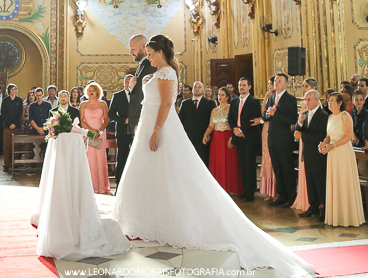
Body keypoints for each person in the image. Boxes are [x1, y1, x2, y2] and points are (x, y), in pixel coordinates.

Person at [112, 34, 315, 277]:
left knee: (169, 172)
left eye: (151, 53)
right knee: (149, 173)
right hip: (147, 124)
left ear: (159, 52)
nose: (149, 58)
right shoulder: (156, 72)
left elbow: (166, 104)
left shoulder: (166, 72)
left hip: (159, 126)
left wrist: (155, 131)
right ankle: (147, 220)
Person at [318, 92, 364, 227]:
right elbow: (328, 135)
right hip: (333, 153)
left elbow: (349, 136)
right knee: (335, 181)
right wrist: (324, 143)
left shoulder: (345, 115)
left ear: (339, 103)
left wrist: (333, 146)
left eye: (333, 100)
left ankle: (348, 216)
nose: (330, 102)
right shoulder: (331, 117)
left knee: (344, 181)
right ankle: (336, 216)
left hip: (343, 152)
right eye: (329, 100)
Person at [263, 73, 298, 208]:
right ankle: (281, 195)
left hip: (284, 139)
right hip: (272, 138)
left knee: (286, 168)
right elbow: (267, 116)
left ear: (286, 84)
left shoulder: (290, 99)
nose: (276, 84)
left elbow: (291, 120)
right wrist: (267, 114)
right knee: (277, 168)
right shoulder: (271, 98)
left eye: (279, 81)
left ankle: (290, 196)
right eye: (275, 81)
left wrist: (275, 114)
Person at [295, 89, 328, 221]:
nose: (306, 102)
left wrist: (303, 135)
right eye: (305, 100)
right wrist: (300, 123)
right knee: (310, 182)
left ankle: (324, 208)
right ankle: (313, 206)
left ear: (317, 100)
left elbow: (321, 135)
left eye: (308, 100)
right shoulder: (306, 114)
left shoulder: (323, 115)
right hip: (307, 153)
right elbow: (298, 130)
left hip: (318, 154)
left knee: (319, 182)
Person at [203, 86, 242, 195]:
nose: (219, 97)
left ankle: (230, 187)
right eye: (219, 95)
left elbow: (235, 124)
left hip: (227, 137)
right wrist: (206, 135)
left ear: (228, 97)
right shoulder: (214, 110)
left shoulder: (231, 108)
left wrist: (232, 138)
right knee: (218, 162)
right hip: (216, 139)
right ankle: (218, 188)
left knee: (227, 162)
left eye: (222, 95)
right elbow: (211, 126)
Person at [229, 76, 262, 202]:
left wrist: (242, 130)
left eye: (244, 85)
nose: (241, 87)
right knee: (242, 165)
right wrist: (235, 130)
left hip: (249, 137)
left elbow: (254, 119)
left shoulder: (254, 102)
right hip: (238, 137)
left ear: (249, 87)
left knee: (249, 165)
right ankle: (244, 190)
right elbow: (231, 118)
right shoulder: (234, 102)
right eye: (240, 85)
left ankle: (250, 192)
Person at [292, 77, 318, 214]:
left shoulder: (318, 108)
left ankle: (312, 202)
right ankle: (304, 199)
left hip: (310, 141)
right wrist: (300, 123)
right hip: (303, 140)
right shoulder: (303, 105)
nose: (303, 88)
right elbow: (298, 125)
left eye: (306, 86)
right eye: (303, 86)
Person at [80, 81, 111, 195]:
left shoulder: (102, 104)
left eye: (93, 90)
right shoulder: (83, 105)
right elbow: (82, 120)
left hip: (100, 133)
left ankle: (101, 187)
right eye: (89, 90)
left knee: (100, 159)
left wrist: (100, 130)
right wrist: (91, 131)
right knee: (89, 159)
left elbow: (107, 119)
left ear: (97, 92)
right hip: (88, 133)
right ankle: (90, 186)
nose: (91, 92)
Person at [179, 80, 216, 165]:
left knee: (203, 163)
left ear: (203, 90)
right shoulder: (185, 103)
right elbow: (181, 121)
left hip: (203, 138)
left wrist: (209, 135)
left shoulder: (210, 103)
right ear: (192, 90)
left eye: (199, 87)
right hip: (188, 139)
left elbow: (213, 122)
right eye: (195, 87)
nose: (197, 89)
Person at [127, 33, 156, 134]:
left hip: (144, 121)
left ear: (144, 46)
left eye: (133, 49)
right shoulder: (143, 65)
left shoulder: (151, 66)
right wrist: (131, 88)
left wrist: (139, 122)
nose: (130, 52)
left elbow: (145, 96)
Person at [109, 74, 134, 187]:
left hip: (136, 130)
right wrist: (124, 120)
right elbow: (111, 114)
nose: (129, 83)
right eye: (127, 81)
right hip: (122, 130)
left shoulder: (139, 94)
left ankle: (134, 181)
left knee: (135, 155)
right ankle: (119, 182)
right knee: (122, 155)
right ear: (124, 83)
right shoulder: (117, 95)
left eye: (131, 81)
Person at [259, 77, 277, 201]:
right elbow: (262, 113)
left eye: (271, 84)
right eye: (268, 84)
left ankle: (275, 190)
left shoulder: (278, 98)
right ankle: (267, 190)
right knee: (266, 157)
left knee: (273, 157)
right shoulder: (268, 97)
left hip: (274, 126)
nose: (269, 86)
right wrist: (265, 100)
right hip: (266, 127)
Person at [1, 84, 24, 171]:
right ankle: (7, 164)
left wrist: (15, 123)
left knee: (16, 145)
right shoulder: (5, 100)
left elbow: (20, 113)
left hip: (17, 126)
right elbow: (3, 113)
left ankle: (16, 163)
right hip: (7, 126)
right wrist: (10, 123)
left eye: (15, 89)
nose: (13, 91)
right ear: (9, 90)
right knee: (7, 146)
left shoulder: (19, 100)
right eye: (12, 89)